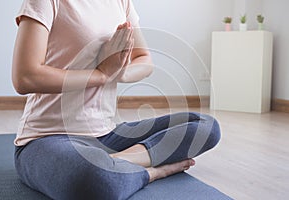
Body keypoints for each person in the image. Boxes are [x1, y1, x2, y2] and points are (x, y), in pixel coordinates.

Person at [12, 0, 221, 199]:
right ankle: (153, 172)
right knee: (99, 181)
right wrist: (101, 75)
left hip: (107, 136)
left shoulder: (121, 2)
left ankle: (116, 163)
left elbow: (144, 59)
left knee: (206, 128)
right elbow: (25, 76)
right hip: (47, 137)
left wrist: (117, 71)